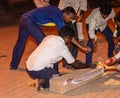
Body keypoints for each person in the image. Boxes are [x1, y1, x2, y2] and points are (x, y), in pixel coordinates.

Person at [10, 0, 90, 70]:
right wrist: (82, 47)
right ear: (65, 14)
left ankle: (13, 65)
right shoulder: (58, 18)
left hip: (23, 19)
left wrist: (76, 17)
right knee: (47, 44)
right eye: (70, 18)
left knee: (20, 43)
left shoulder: (57, 10)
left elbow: (72, 16)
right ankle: (54, 71)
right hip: (30, 22)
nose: (69, 21)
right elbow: (68, 36)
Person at [26, 26, 90, 90]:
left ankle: (45, 75)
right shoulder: (62, 48)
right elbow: (76, 64)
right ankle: (42, 82)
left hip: (29, 66)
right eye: (70, 39)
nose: (70, 42)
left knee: (55, 59)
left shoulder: (50, 37)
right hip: (36, 70)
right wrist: (89, 66)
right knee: (60, 80)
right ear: (67, 38)